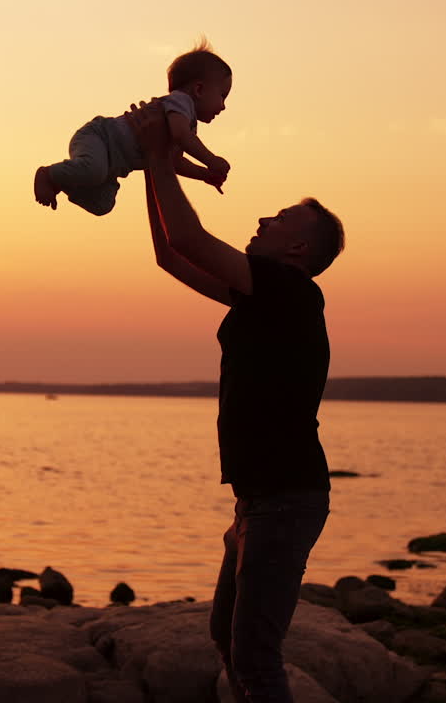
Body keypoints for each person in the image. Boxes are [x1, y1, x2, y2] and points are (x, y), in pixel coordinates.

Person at [124, 99, 345, 703]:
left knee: (254, 651)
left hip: (284, 502)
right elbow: (172, 254)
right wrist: (152, 169)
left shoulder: (287, 290)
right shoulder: (262, 295)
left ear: (299, 251)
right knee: (228, 637)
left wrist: (154, 155)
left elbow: (192, 236)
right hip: (259, 502)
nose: (264, 220)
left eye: (279, 220)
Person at [34, 40, 232, 216]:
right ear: (199, 89)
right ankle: (48, 173)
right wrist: (211, 159)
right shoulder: (181, 102)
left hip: (112, 166)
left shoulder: (186, 123)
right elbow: (182, 136)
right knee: (94, 170)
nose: (223, 106)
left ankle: (64, 181)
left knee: (103, 205)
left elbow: (174, 162)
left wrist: (204, 174)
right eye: (222, 96)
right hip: (101, 138)